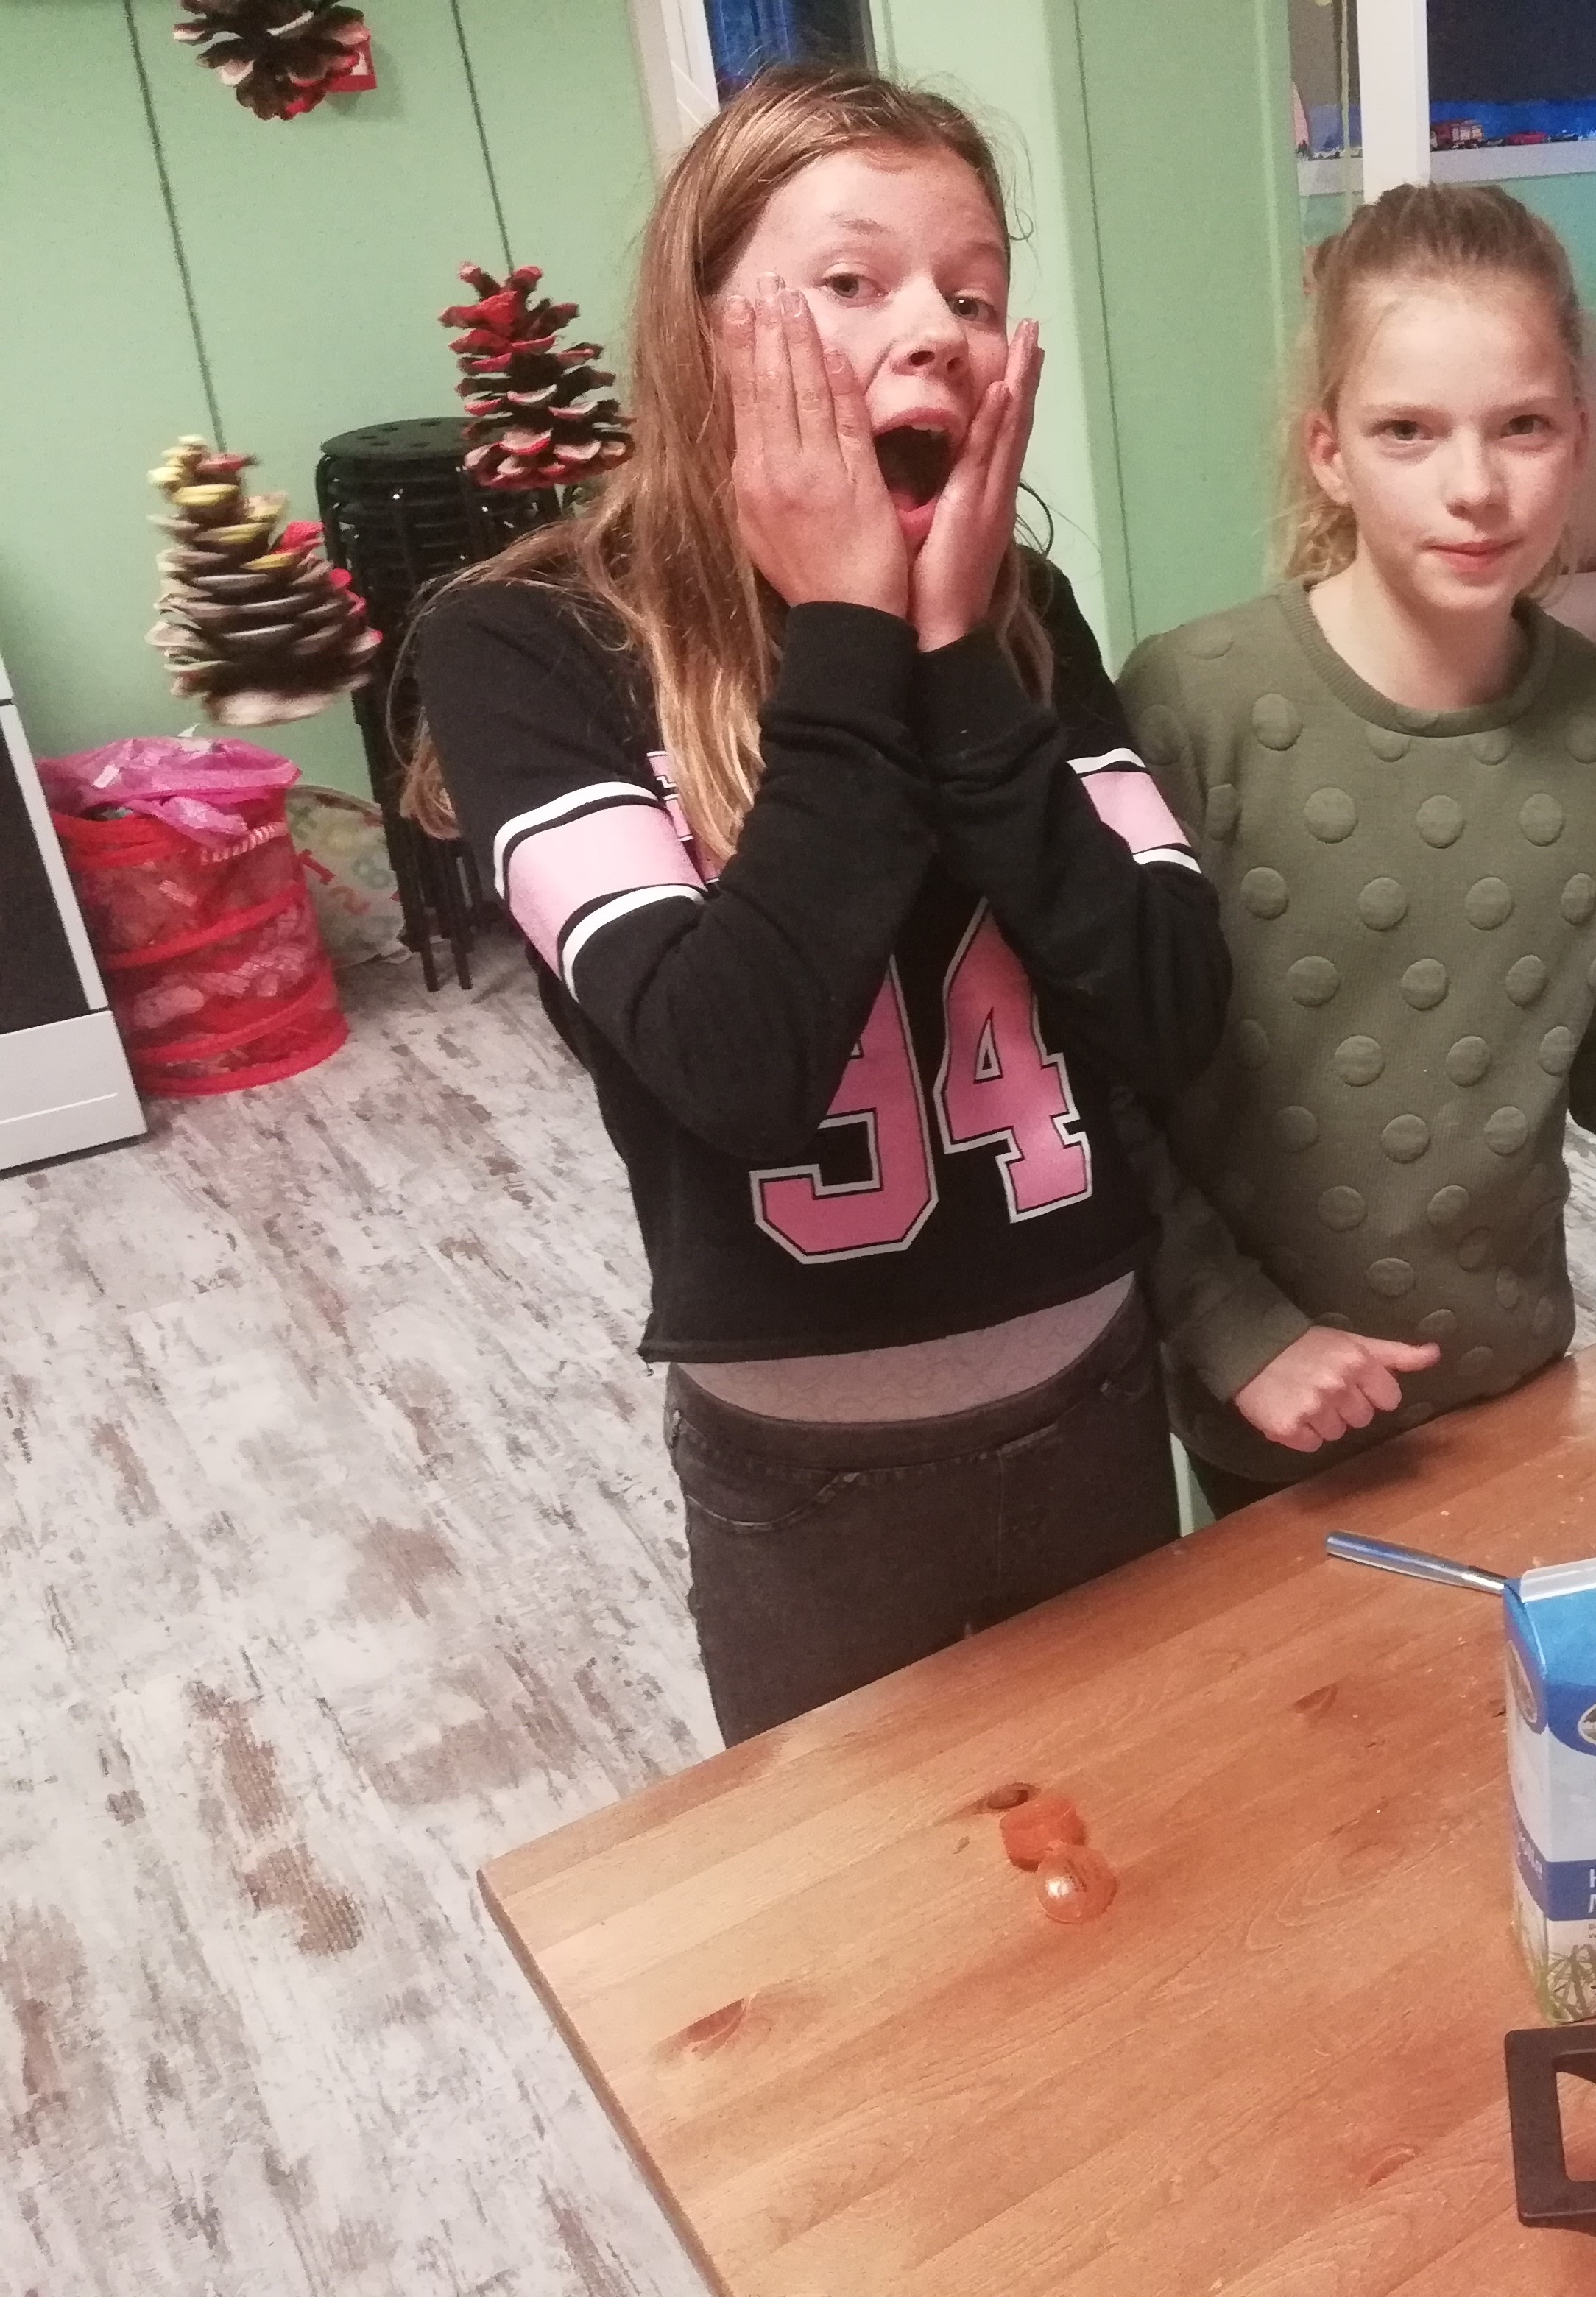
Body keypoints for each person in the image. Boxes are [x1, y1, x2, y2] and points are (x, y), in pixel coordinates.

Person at [405, 69, 1229, 1743]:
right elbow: (735, 1065)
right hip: (809, 1477)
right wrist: (850, 636)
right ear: (702, 332)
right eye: (854, 281)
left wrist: (958, 661)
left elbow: (1172, 1010)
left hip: (1094, 1392)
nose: (934, 330)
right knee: (860, 1894)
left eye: (975, 295)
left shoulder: (1021, 621)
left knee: (1133, 1843)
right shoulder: (527, 649)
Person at [1120, 183, 1596, 1510]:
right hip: (1269, 1399)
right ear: (1329, 452)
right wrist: (1237, 1332)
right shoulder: (1194, 703)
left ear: (1580, 440)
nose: (1474, 488)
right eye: (1407, 432)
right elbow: (1102, 1079)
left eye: (1522, 427)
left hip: (1517, 1371)